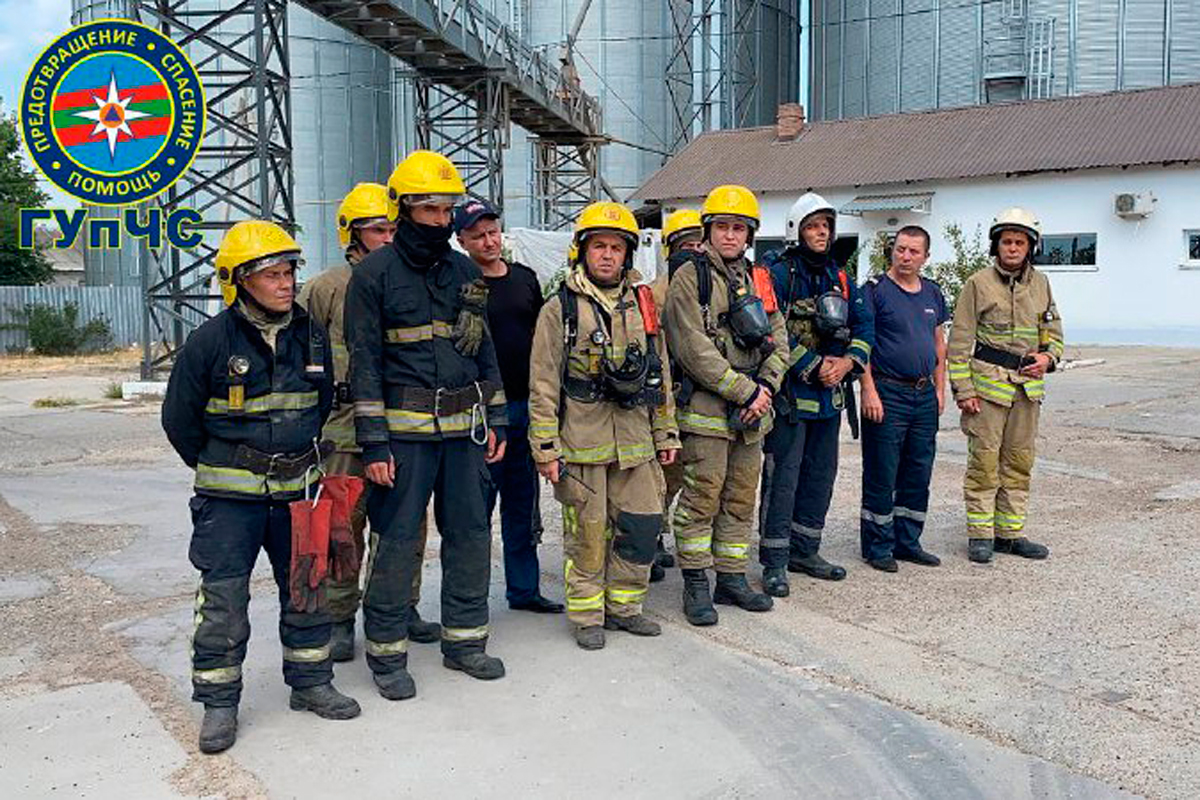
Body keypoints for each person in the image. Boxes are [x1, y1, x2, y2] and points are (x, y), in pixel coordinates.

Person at [162, 220, 360, 755]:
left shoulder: (310, 335)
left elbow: (319, 407)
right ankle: (219, 703)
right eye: (271, 274)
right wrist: (231, 465)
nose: (285, 283)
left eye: (289, 271)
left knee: (308, 587)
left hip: (299, 491)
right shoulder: (209, 343)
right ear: (239, 281)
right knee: (224, 599)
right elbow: (180, 422)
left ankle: (311, 682)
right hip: (230, 502)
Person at [345, 150, 508, 700]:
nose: (440, 221)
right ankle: (387, 655)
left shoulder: (465, 271)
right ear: (402, 210)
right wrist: (374, 445)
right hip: (405, 441)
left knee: (470, 536)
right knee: (395, 544)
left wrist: (500, 418)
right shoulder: (371, 277)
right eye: (428, 210)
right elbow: (364, 364)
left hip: (466, 436)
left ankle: (465, 642)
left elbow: (483, 351)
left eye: (446, 211)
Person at [297, 183, 441, 662]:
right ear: (352, 234)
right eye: (378, 229)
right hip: (341, 431)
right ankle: (339, 618)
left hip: (400, 427)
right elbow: (297, 353)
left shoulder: (412, 280)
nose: (388, 236)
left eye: (393, 227)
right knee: (342, 527)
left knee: (406, 527)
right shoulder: (326, 288)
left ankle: (403, 606)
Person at [529, 201, 680, 650]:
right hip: (582, 446)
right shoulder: (560, 309)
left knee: (639, 528)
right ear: (583, 251)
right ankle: (588, 615)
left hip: (636, 445)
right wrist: (545, 448)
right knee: (588, 536)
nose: (608, 255)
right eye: (599, 246)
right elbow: (542, 381)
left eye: (616, 247)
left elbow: (661, 371)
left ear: (627, 254)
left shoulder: (643, 304)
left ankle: (626, 609)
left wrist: (666, 432)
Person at [664, 185, 788, 626]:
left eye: (739, 228)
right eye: (722, 227)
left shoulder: (759, 278)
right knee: (702, 498)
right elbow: (692, 349)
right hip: (706, 414)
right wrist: (745, 391)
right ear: (708, 230)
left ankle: (732, 577)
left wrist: (766, 388)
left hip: (753, 415)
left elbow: (780, 339)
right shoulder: (688, 277)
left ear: (750, 234)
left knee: (739, 499)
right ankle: (696, 583)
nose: (731, 235)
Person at [757, 192, 874, 597]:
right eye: (813, 226)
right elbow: (770, 330)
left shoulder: (840, 277)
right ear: (796, 231)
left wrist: (847, 364)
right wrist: (812, 363)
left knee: (820, 478)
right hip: (790, 400)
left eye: (826, 226)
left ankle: (806, 551)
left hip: (830, 401)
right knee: (782, 479)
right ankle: (774, 561)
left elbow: (864, 324)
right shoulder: (776, 274)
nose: (821, 233)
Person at [454, 199, 563, 614]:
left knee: (522, 505)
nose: (489, 241)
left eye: (493, 232)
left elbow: (543, 341)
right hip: (481, 415)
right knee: (476, 511)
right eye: (478, 235)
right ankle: (471, 598)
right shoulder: (459, 284)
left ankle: (524, 591)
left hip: (523, 407)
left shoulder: (525, 279)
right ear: (462, 240)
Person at [947, 207, 1064, 563]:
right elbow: (959, 342)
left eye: (1019, 242)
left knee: (1019, 461)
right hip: (987, 389)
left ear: (1031, 247)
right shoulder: (977, 284)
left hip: (1027, 391)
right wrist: (963, 391)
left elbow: (1054, 335)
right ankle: (980, 535)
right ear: (995, 245)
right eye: (1006, 241)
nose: (1012, 248)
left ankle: (1010, 535)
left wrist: (1048, 359)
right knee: (984, 462)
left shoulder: (1041, 284)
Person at [858, 225, 946, 571]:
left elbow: (939, 344)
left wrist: (939, 390)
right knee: (883, 471)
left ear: (926, 256)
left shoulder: (934, 294)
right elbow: (861, 344)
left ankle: (907, 542)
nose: (905, 256)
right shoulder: (875, 291)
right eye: (900, 249)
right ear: (891, 251)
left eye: (913, 251)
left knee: (918, 470)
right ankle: (878, 547)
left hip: (923, 394)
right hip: (886, 392)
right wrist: (868, 389)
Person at [648, 208, 705, 582]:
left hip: (702, 399)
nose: (694, 250)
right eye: (685, 244)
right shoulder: (654, 293)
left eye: (698, 242)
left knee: (689, 477)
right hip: (668, 399)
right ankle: (650, 542)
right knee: (659, 479)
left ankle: (668, 540)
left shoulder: (711, 288)